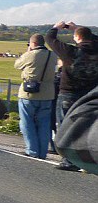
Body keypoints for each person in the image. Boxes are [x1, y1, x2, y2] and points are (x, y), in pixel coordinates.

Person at [45, 21, 98, 171]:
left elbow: (50, 39)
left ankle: (70, 161)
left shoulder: (70, 52)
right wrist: (77, 28)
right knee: (88, 127)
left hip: (69, 93)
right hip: (90, 95)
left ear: (76, 38)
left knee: (65, 126)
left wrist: (56, 28)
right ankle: (88, 160)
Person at [13, 34, 56, 159]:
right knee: (44, 123)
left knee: (27, 122)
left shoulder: (30, 55)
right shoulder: (52, 55)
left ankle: (32, 150)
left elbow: (17, 65)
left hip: (29, 93)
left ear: (32, 43)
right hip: (48, 93)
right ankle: (42, 152)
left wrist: (27, 52)